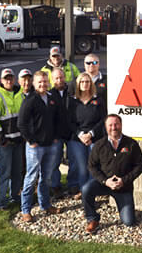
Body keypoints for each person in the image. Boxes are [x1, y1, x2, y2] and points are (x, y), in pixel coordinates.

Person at [82, 114, 142, 234]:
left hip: (123, 187)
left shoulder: (131, 144)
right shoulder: (99, 145)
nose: (113, 127)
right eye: (110, 125)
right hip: (104, 183)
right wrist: (105, 181)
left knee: (129, 222)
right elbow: (91, 166)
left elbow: (140, 165)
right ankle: (92, 219)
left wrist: (124, 180)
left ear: (121, 125)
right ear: (106, 128)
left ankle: (126, 208)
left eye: (116, 124)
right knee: (86, 189)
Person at [18, 71, 63, 222]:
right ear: (34, 84)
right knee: (31, 178)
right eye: (39, 82)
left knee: (46, 178)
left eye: (45, 81)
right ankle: (26, 210)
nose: (43, 84)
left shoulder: (52, 98)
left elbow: (58, 119)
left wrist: (56, 137)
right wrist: (31, 140)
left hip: (51, 145)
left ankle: (45, 205)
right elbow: (21, 124)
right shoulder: (30, 100)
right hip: (35, 147)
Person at [0, 68, 25, 210]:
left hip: (18, 141)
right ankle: (1, 201)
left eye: (10, 78)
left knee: (17, 172)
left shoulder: (20, 95)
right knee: (5, 172)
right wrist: (1, 140)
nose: (8, 80)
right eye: (6, 78)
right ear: (1, 81)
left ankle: (15, 196)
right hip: (6, 144)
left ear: (14, 79)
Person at [68, 72, 107, 198]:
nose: (85, 84)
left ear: (91, 84)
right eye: (82, 82)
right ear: (78, 84)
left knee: (93, 168)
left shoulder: (98, 100)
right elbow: (69, 121)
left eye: (87, 82)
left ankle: (92, 192)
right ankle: (84, 192)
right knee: (82, 168)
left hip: (94, 138)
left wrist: (90, 134)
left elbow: (103, 120)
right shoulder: (72, 101)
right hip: (77, 139)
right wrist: (80, 135)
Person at [49, 68, 72, 197]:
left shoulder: (72, 92)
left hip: (71, 134)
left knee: (73, 161)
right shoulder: (49, 94)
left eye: (61, 77)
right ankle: (55, 186)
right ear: (53, 80)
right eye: (56, 78)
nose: (59, 80)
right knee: (54, 162)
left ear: (65, 77)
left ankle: (73, 185)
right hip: (56, 136)